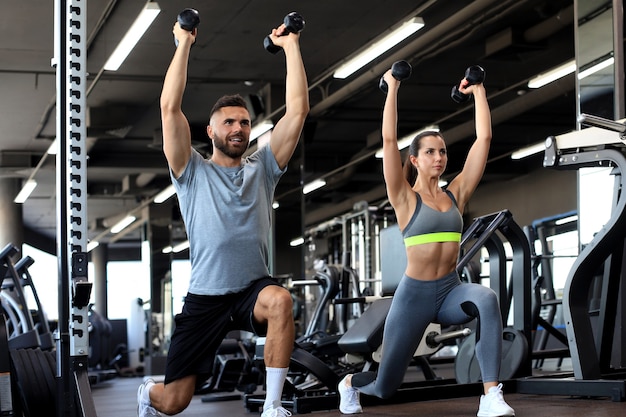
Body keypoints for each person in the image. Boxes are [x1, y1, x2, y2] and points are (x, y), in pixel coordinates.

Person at [136, 15, 309, 417]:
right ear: (210, 131)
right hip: (206, 298)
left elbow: (297, 112)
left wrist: (291, 47)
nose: (238, 128)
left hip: (252, 289)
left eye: (244, 122)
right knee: (174, 403)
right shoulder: (191, 170)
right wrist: (183, 44)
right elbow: (169, 107)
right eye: (228, 122)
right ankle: (149, 392)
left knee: (281, 300)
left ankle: (271, 406)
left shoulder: (263, 168)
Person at [337, 70, 515, 417]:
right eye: (431, 152)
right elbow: (389, 142)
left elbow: (484, 139)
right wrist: (392, 88)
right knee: (385, 388)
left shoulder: (456, 194)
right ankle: (350, 384)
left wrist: (479, 90)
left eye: (443, 151)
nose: (439, 157)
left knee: (486, 297)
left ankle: (491, 395)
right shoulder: (404, 198)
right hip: (413, 297)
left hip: (451, 290)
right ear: (415, 160)